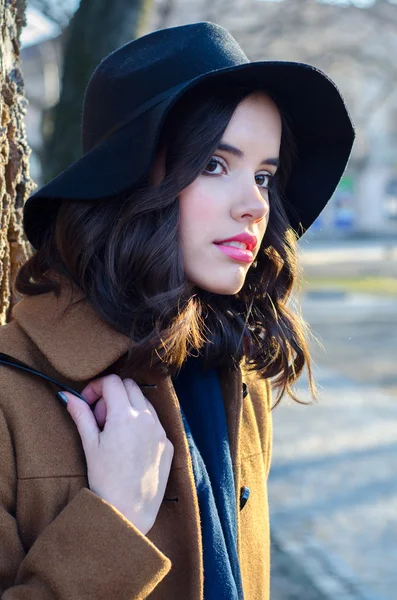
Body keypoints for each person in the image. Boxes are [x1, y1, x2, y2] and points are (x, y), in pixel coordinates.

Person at [0, 21, 354, 600]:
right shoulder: (10, 390)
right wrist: (113, 520)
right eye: (215, 164)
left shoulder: (239, 369)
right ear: (129, 180)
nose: (254, 207)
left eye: (264, 176)